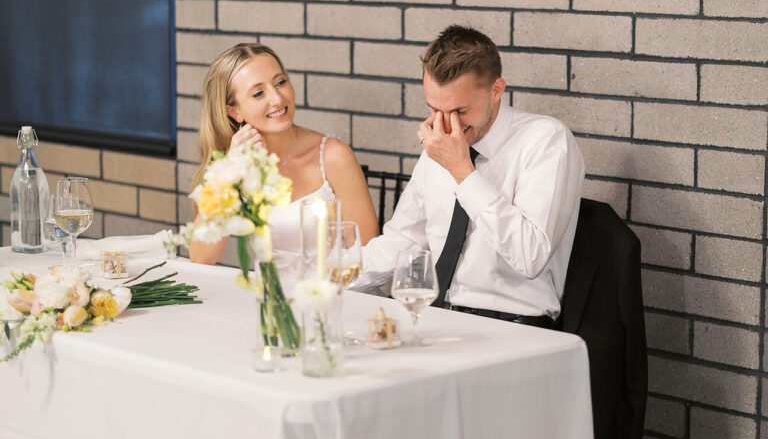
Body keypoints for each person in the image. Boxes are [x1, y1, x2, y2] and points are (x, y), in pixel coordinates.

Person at [359, 25, 584, 326]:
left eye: (460, 111)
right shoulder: (440, 143)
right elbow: (402, 241)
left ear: (496, 91)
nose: (445, 124)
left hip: (513, 325)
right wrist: (321, 281)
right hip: (435, 316)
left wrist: (462, 171)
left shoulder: (546, 141)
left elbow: (530, 256)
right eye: (434, 109)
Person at [189, 42, 378, 267]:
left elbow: (368, 257)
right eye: (258, 93)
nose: (277, 99)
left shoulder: (334, 156)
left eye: (280, 82)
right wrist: (228, 174)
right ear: (234, 111)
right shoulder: (234, 163)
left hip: (333, 287)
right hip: (268, 288)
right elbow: (200, 258)